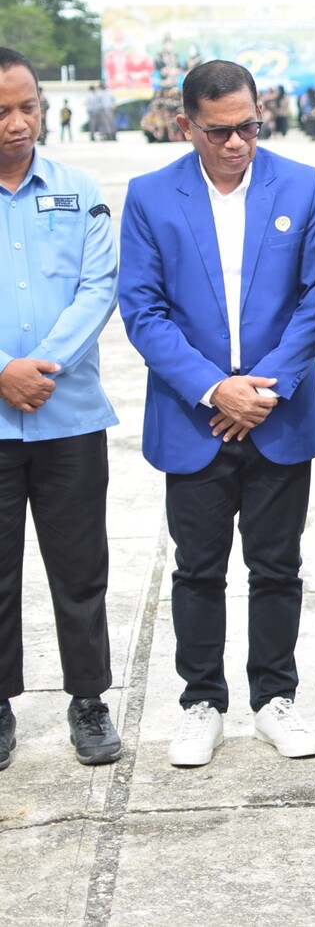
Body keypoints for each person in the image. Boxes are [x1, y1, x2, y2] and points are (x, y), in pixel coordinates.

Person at [118, 60, 315, 768]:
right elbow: (142, 311)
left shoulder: (301, 184)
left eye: (248, 125)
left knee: (277, 567)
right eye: (220, 131)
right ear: (186, 126)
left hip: (277, 413)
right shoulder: (151, 196)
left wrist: (264, 390)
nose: (238, 142)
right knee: (198, 569)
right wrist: (216, 390)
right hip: (195, 419)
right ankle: (200, 701)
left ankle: (275, 698)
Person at [0, 47, 122, 771]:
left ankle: (89, 700)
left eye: (28, 108)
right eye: (2, 112)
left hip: (68, 415)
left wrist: (40, 368)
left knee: (80, 570)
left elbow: (97, 284)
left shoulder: (77, 190)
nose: (18, 124)